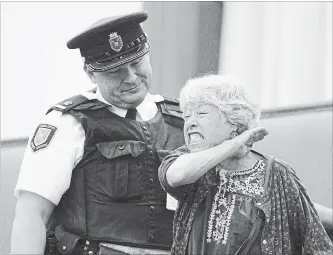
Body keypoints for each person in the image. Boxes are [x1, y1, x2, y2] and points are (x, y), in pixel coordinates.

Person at [11, 12, 185, 255]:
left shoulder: (184, 121)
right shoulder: (67, 124)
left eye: (136, 64)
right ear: (91, 73)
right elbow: (32, 215)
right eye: (116, 72)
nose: (131, 78)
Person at [158, 74, 333, 255]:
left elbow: (318, 246)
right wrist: (234, 143)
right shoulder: (186, 162)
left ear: (235, 120)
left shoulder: (277, 174)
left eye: (201, 113)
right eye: (186, 116)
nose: (190, 123)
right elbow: (176, 176)